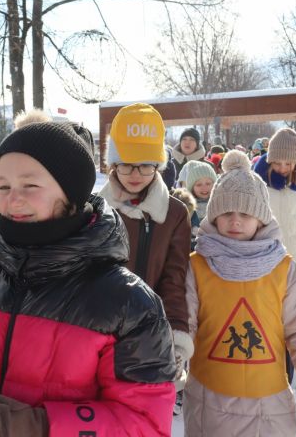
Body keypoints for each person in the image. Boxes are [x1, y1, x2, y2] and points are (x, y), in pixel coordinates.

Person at [0, 121, 176, 436]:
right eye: (3, 186)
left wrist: (41, 426)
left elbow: (146, 423)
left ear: (72, 195)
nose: (12, 199)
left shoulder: (129, 304)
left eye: (30, 185)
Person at [184, 150, 296, 435]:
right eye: (226, 213)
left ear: (261, 218)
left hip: (269, 411)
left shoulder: (284, 271)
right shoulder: (197, 266)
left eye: (245, 213)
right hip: (209, 409)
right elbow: (183, 328)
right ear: (213, 215)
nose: (235, 221)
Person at [98, 103, 192, 414]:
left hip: (149, 336)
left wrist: (177, 336)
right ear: (112, 165)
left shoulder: (175, 214)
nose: (135, 174)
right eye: (126, 165)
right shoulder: (96, 210)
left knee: (142, 420)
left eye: (146, 165)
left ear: (158, 165)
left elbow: (174, 279)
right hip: (98, 333)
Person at [253, 128, 296, 287]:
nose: (282, 168)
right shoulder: (259, 187)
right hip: (267, 264)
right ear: (269, 161)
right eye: (277, 163)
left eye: (288, 163)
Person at [181, 160, 218, 250]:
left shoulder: (219, 202)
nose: (204, 188)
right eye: (198, 184)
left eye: (208, 183)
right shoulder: (188, 206)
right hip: (194, 248)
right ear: (192, 187)